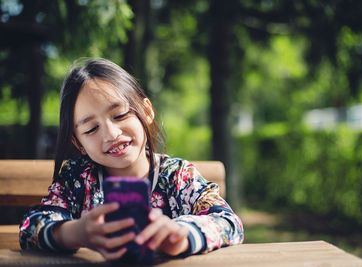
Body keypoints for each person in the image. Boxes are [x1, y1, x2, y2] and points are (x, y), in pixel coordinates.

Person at [19, 58, 244, 260]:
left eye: (119, 115)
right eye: (91, 129)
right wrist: (75, 233)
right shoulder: (77, 179)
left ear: (146, 110)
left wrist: (181, 235)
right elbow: (31, 228)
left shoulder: (178, 176)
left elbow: (229, 223)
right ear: (78, 143)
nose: (111, 134)